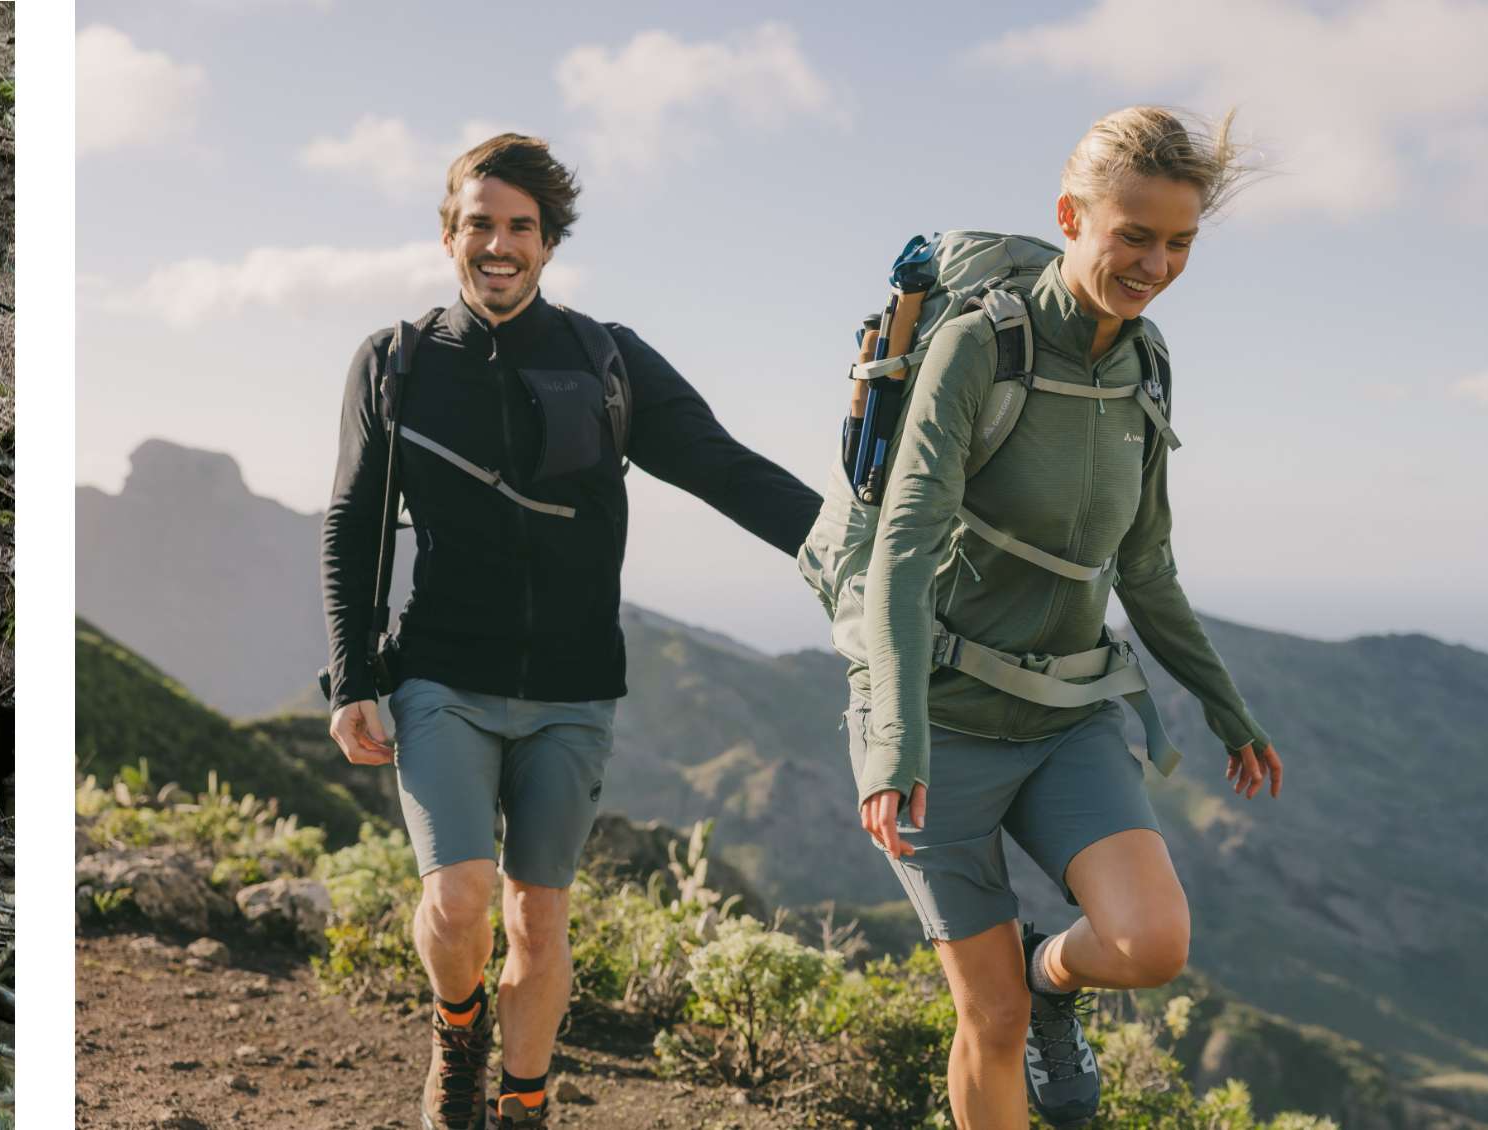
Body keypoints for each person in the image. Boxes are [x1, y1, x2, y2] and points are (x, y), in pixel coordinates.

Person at [319, 133, 824, 1129]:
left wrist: (848, 548)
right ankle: (457, 1026)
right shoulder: (396, 362)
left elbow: (724, 466)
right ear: (448, 233)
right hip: (441, 676)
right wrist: (349, 674)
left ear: (549, 244)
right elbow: (350, 522)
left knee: (537, 915)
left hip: (573, 686)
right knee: (460, 896)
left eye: (521, 228)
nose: (498, 245)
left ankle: (526, 1095)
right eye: (480, 224)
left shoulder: (606, 360)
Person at [847, 106, 1285, 1128]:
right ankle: (1019, 997)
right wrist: (894, 739)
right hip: (940, 722)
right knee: (987, 1020)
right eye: (1134, 234)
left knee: (1151, 944)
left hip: (1065, 714)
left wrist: (1230, 710)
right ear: (1071, 214)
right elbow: (902, 547)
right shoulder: (978, 348)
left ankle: (1054, 976)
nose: (1156, 264)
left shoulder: (1147, 362)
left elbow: (1145, 563)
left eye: (1179, 242)